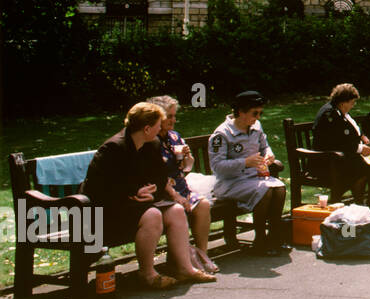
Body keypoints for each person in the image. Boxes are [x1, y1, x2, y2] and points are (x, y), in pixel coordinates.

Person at [81, 102, 217, 288]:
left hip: (137, 205)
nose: (161, 129)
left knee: (176, 211)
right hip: (105, 210)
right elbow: (97, 188)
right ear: (147, 128)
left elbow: (160, 177)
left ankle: (185, 269)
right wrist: (133, 192)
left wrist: (152, 190)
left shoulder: (151, 144)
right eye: (158, 126)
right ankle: (147, 274)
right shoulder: (113, 148)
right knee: (153, 215)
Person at [210, 90, 287, 255]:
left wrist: (269, 154)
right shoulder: (222, 134)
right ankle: (260, 240)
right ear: (240, 112)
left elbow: (264, 146)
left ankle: (274, 236)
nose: (258, 117)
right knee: (265, 190)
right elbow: (217, 166)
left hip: (253, 179)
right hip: (230, 182)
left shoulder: (256, 127)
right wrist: (244, 162)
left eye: (260, 113)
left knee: (279, 188)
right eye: (254, 113)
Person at [150, 95, 217, 274]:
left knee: (202, 204)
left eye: (174, 116)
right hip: (164, 194)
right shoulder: (151, 141)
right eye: (169, 117)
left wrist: (187, 158)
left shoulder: (174, 136)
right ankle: (184, 259)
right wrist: (175, 195)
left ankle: (202, 254)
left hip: (181, 188)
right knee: (181, 208)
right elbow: (156, 175)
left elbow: (185, 169)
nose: (173, 120)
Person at [312, 84, 370, 211]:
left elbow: (349, 133)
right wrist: (360, 149)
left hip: (341, 158)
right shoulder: (330, 114)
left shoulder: (339, 112)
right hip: (326, 161)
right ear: (343, 102)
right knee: (364, 167)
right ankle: (359, 206)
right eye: (352, 102)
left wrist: (362, 138)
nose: (353, 105)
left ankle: (366, 205)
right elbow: (337, 142)